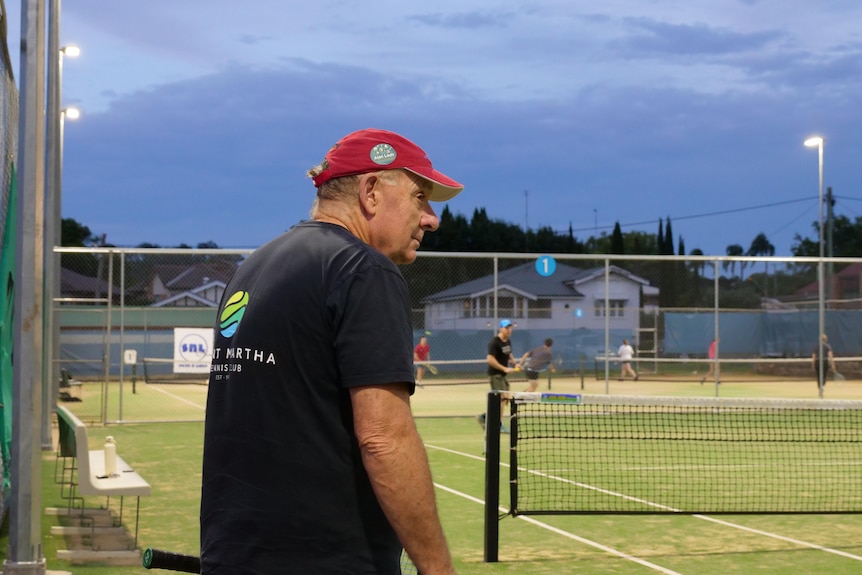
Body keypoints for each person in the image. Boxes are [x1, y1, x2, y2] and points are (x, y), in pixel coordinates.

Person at [200, 128, 461, 575]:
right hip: (326, 558)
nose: (431, 218)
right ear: (372, 191)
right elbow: (384, 439)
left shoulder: (255, 267)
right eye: (420, 197)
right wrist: (438, 570)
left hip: (233, 554)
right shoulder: (363, 270)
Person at [477, 319, 517, 433]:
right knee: (503, 398)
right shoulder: (494, 342)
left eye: (510, 328)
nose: (509, 330)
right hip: (495, 375)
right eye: (507, 328)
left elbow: (508, 353)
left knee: (504, 399)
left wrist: (514, 362)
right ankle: (498, 423)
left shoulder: (507, 341)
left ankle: (485, 417)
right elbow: (489, 359)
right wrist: (504, 368)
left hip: (503, 375)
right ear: (501, 329)